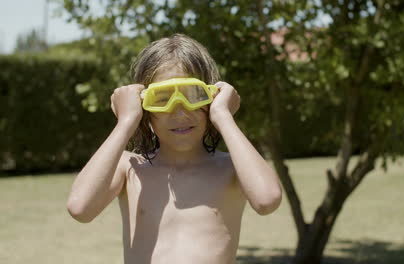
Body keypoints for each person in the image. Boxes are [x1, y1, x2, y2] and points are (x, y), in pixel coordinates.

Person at [66, 33, 282, 264]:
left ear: (211, 99)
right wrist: (126, 121)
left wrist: (223, 115)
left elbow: (267, 200)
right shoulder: (130, 169)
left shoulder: (231, 169)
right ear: (142, 106)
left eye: (193, 95)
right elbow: (80, 208)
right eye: (162, 99)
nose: (179, 112)